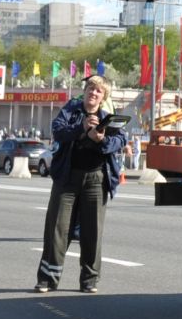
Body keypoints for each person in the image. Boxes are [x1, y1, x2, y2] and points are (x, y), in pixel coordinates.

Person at [35, 74, 126, 294]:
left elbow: (120, 141)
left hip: (96, 179)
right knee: (57, 228)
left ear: (103, 97)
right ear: (84, 92)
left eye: (98, 91)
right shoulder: (71, 112)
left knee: (92, 231)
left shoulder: (107, 118)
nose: (93, 93)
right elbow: (57, 130)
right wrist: (81, 128)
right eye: (91, 89)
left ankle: (89, 280)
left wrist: (100, 139)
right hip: (68, 178)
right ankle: (48, 279)